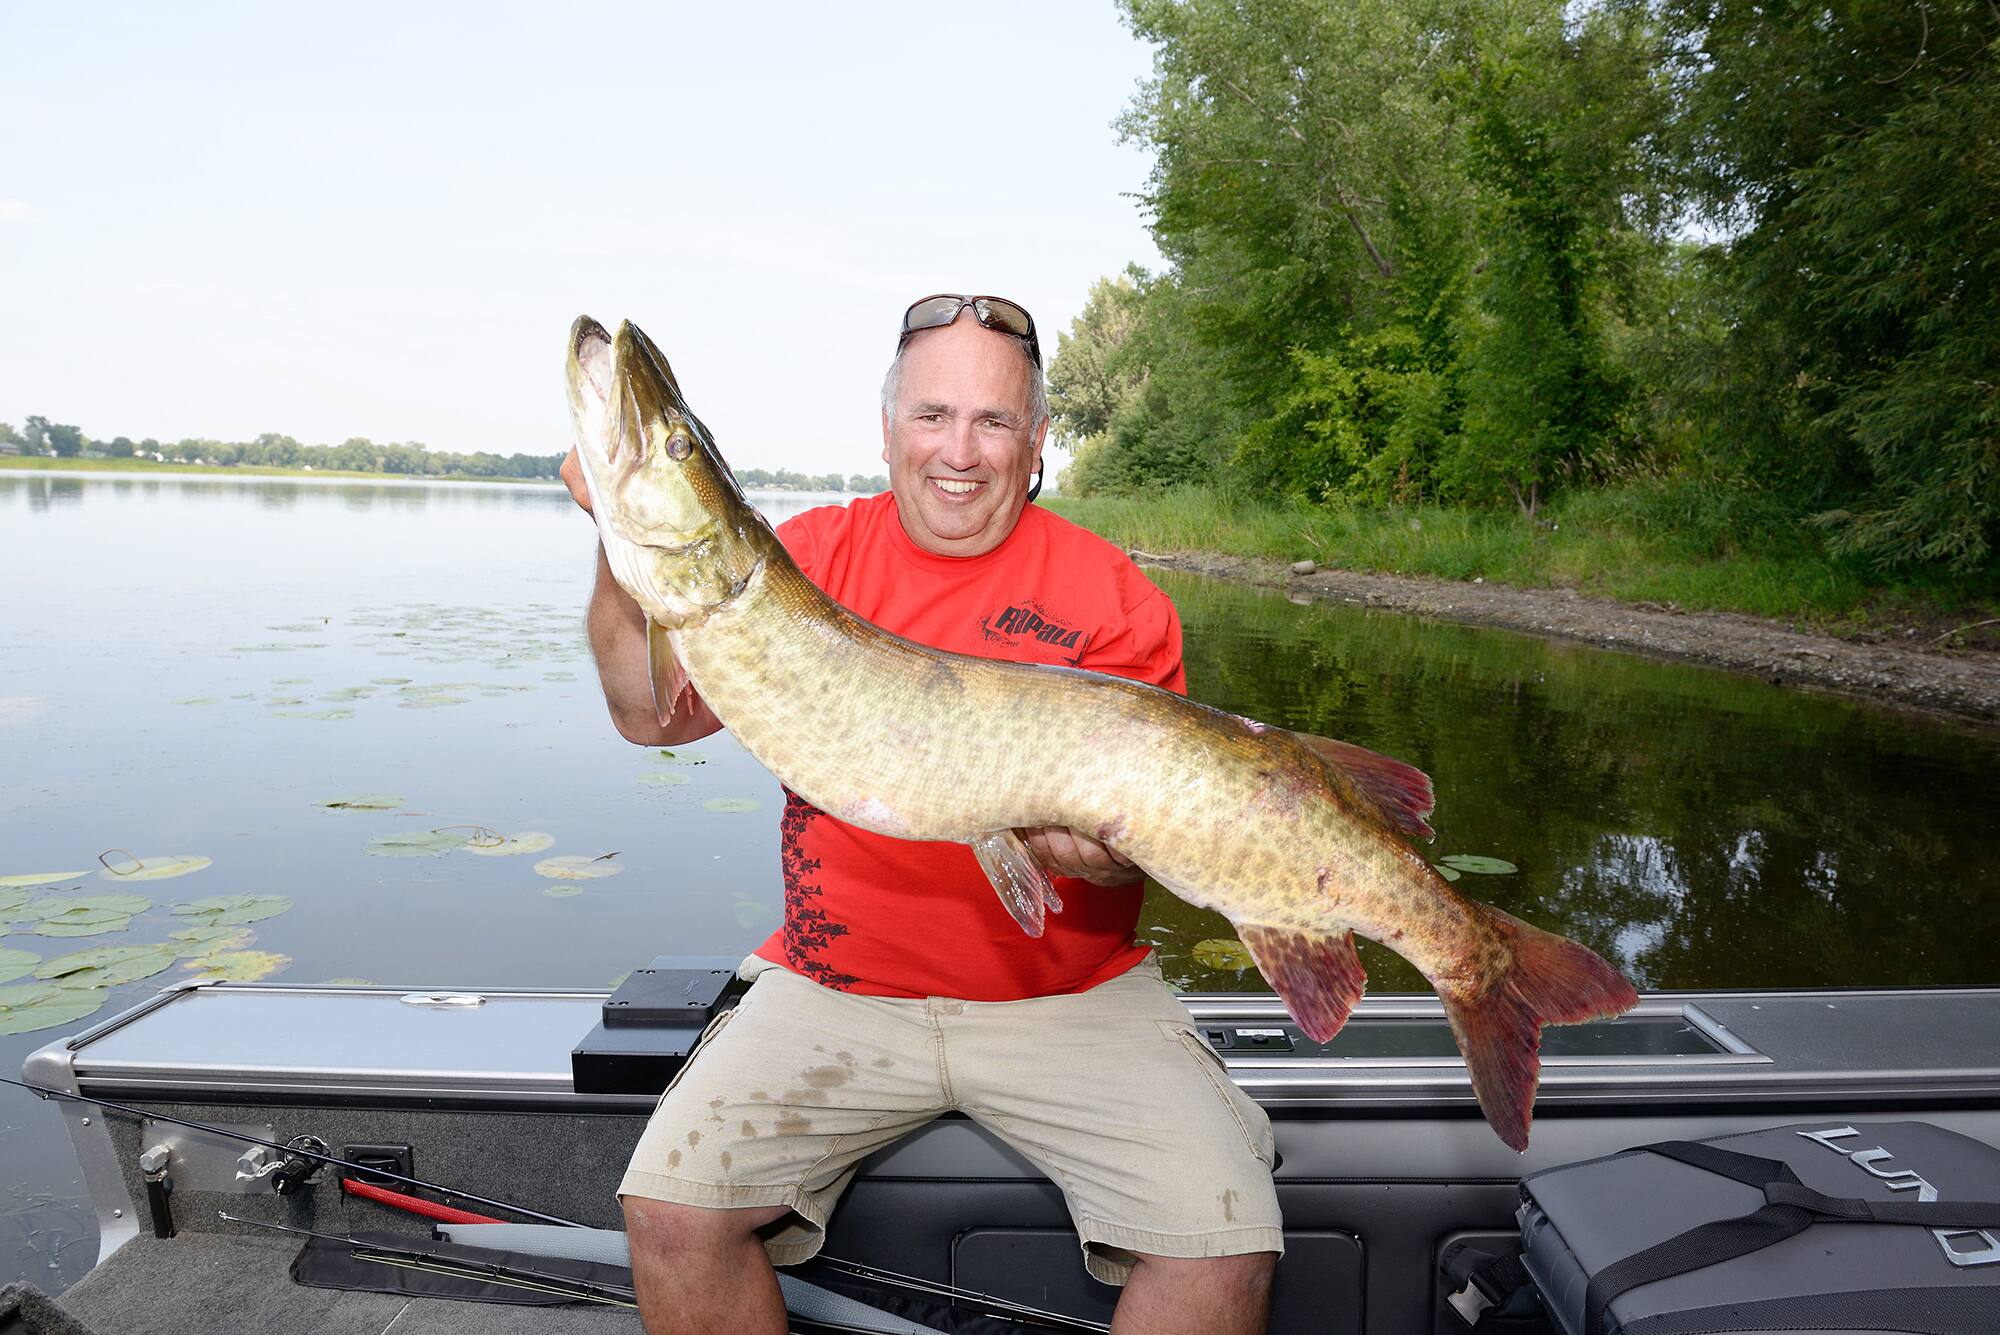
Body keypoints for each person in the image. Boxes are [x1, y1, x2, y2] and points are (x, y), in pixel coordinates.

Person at [563, 294, 1282, 1335]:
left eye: (993, 422)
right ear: (890, 428)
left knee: (1222, 1245)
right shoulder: (797, 559)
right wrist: (612, 532)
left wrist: (1096, 853)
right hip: (832, 989)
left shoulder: (1115, 597)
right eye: (932, 415)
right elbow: (643, 714)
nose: (960, 450)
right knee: (670, 1211)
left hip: (1068, 998)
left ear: (1034, 445)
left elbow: (1128, 859)